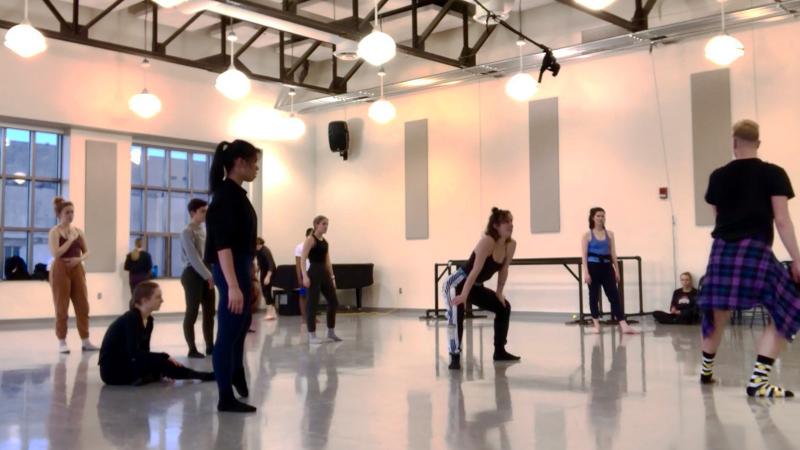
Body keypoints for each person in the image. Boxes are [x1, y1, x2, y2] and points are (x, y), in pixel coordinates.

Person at [697, 120, 800, 398]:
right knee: (790, 303)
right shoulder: (774, 173)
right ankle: (758, 381)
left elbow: (717, 215)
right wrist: (797, 259)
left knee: (716, 311)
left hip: (721, 249)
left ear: (734, 143)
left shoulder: (718, 175)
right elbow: (782, 220)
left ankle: (706, 371)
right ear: (758, 142)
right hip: (754, 248)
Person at [205, 139, 261, 413]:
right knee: (228, 330)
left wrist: (248, 277)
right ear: (240, 163)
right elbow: (222, 245)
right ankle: (225, 396)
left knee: (242, 323)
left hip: (240, 266)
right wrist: (233, 286)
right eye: (255, 163)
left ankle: (236, 370)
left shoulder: (237, 194)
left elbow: (244, 245)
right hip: (230, 268)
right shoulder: (225, 197)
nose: (257, 169)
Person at [443, 207, 521, 370]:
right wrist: (464, 295)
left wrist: (499, 293)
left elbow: (504, 269)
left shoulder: (511, 245)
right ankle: (454, 355)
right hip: (457, 284)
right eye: (506, 222)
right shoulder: (488, 241)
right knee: (456, 315)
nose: (511, 224)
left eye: (512, 221)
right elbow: (475, 270)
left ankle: (499, 351)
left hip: (475, 286)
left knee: (503, 307)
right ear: (495, 225)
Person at [98, 281, 214, 385]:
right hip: (112, 371)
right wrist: (164, 356)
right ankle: (203, 376)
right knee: (163, 362)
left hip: (129, 363)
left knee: (162, 364)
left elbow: (145, 351)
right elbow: (134, 353)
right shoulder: (131, 318)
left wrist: (158, 362)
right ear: (144, 300)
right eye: (158, 297)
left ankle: (155, 375)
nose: (162, 300)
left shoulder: (149, 321)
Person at [48, 197, 98, 354]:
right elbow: (56, 253)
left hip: (77, 267)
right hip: (60, 269)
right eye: (67, 212)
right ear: (59, 214)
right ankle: (62, 341)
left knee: (83, 305)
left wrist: (79, 259)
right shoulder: (54, 232)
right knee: (62, 307)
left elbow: (88, 251)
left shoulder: (78, 231)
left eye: (72, 212)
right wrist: (69, 241)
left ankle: (85, 340)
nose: (70, 215)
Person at [581, 208, 638, 334]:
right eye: (598, 216)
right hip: (593, 267)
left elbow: (613, 253)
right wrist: (586, 272)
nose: (601, 218)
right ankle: (596, 324)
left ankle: (624, 325)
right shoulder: (587, 235)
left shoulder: (610, 234)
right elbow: (584, 256)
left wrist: (616, 270)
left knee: (614, 296)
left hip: (607, 267)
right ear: (592, 218)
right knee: (594, 296)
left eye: (603, 216)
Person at [181, 198, 216, 359]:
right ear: (192, 212)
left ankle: (210, 346)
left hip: (207, 273)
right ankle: (192, 348)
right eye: (202, 211)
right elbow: (194, 258)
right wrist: (208, 276)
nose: (205, 214)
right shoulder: (187, 231)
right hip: (192, 274)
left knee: (209, 312)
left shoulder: (204, 230)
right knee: (192, 312)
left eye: (206, 211)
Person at [300, 216, 341, 345]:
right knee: (312, 303)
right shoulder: (310, 240)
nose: (326, 226)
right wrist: (305, 276)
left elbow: (328, 261)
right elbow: (302, 259)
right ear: (316, 225)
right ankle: (312, 335)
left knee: (333, 301)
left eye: (327, 224)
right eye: (324, 224)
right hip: (313, 273)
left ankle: (331, 331)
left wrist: (332, 277)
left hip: (324, 273)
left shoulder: (325, 242)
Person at [295, 228, 314, 327]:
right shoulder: (299, 247)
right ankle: (304, 318)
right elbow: (298, 263)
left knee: (312, 297)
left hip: (313, 274)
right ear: (307, 235)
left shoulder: (315, 246)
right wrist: (299, 277)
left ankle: (312, 317)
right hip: (303, 274)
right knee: (302, 296)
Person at [256, 237, 277, 321]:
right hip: (264, 271)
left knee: (266, 290)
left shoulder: (265, 251)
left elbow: (271, 264)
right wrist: (257, 268)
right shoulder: (257, 251)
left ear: (258, 244)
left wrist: (268, 277)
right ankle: (272, 311)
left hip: (270, 271)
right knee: (265, 291)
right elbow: (259, 260)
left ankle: (270, 312)